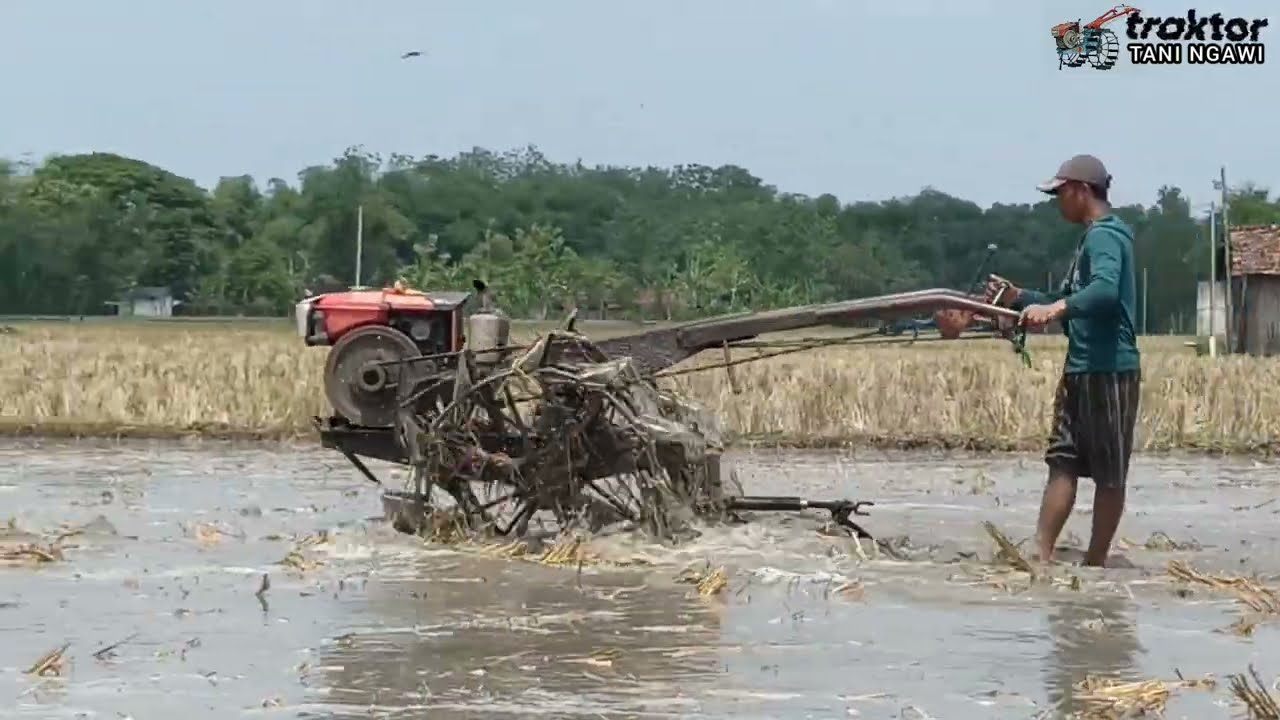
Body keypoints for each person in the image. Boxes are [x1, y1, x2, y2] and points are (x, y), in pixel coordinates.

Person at [984, 154, 1141, 568]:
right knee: (1063, 461)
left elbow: (1105, 291)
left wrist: (1054, 310)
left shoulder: (1107, 236)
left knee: (1109, 470)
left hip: (1110, 368)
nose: (1057, 203)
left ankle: (1095, 561)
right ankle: (1041, 553)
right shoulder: (1091, 237)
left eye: (1060, 194)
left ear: (1081, 191)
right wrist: (1021, 298)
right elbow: (1073, 297)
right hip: (1081, 366)